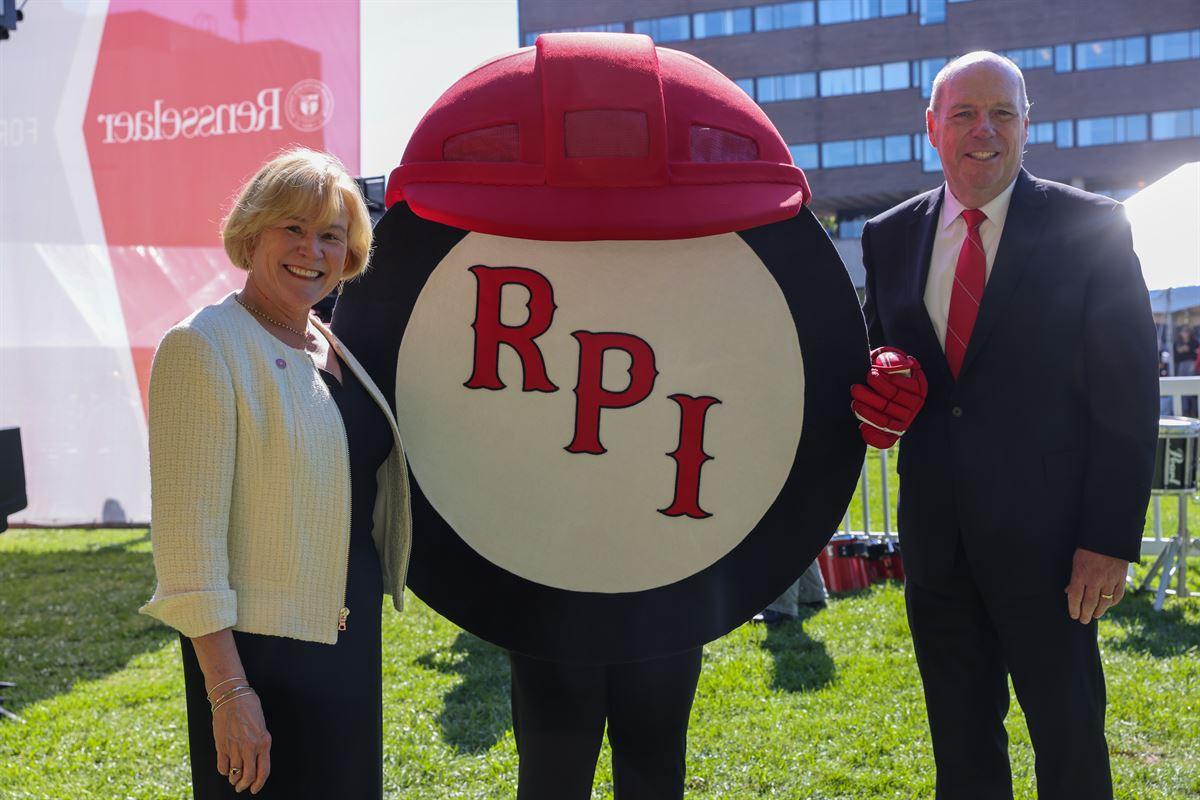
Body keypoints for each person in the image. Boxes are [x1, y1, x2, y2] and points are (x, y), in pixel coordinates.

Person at [857, 52, 1158, 799]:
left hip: (1056, 555)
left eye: (1002, 113)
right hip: (938, 549)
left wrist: (1108, 542)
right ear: (933, 127)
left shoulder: (1092, 227)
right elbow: (873, 358)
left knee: (1070, 744)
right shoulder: (888, 237)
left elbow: (1127, 396)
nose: (982, 130)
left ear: (1029, 125)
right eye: (963, 113)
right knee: (961, 752)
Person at [140, 148, 412, 798]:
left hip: (345, 636)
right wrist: (230, 691)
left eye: (330, 235)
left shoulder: (325, 338)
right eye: (293, 227)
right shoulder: (204, 347)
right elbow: (188, 549)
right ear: (253, 229)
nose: (310, 250)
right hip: (263, 659)